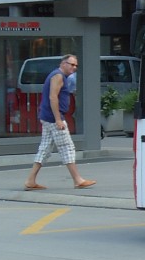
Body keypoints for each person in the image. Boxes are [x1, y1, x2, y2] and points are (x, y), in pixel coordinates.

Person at [23, 54, 96, 190]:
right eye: (71, 64)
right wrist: (58, 119)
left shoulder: (58, 75)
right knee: (67, 148)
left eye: (76, 66)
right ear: (63, 63)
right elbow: (53, 97)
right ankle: (78, 180)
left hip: (48, 117)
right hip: (53, 118)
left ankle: (30, 180)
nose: (74, 68)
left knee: (44, 149)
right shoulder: (58, 76)